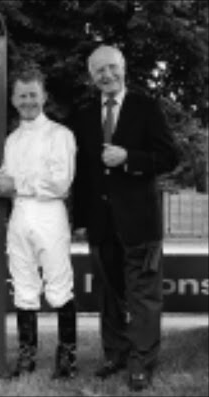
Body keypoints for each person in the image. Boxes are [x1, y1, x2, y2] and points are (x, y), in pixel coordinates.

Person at [71, 45, 179, 391]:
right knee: (109, 294)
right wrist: (80, 219)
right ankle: (115, 354)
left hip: (140, 221)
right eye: (99, 70)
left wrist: (130, 158)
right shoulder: (85, 114)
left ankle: (141, 363)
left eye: (112, 68)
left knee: (143, 295)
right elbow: (83, 173)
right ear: (92, 76)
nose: (107, 75)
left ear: (124, 68)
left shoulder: (146, 107)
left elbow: (169, 157)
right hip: (101, 224)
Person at [0, 68, 77, 379]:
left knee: (58, 285)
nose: (28, 101)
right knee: (24, 288)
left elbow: (60, 183)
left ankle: (67, 357)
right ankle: (27, 357)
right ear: (14, 100)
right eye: (22, 95)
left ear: (44, 97)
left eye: (33, 94)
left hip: (50, 214)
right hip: (19, 216)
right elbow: (2, 184)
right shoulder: (12, 140)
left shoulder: (61, 135)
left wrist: (17, 184)